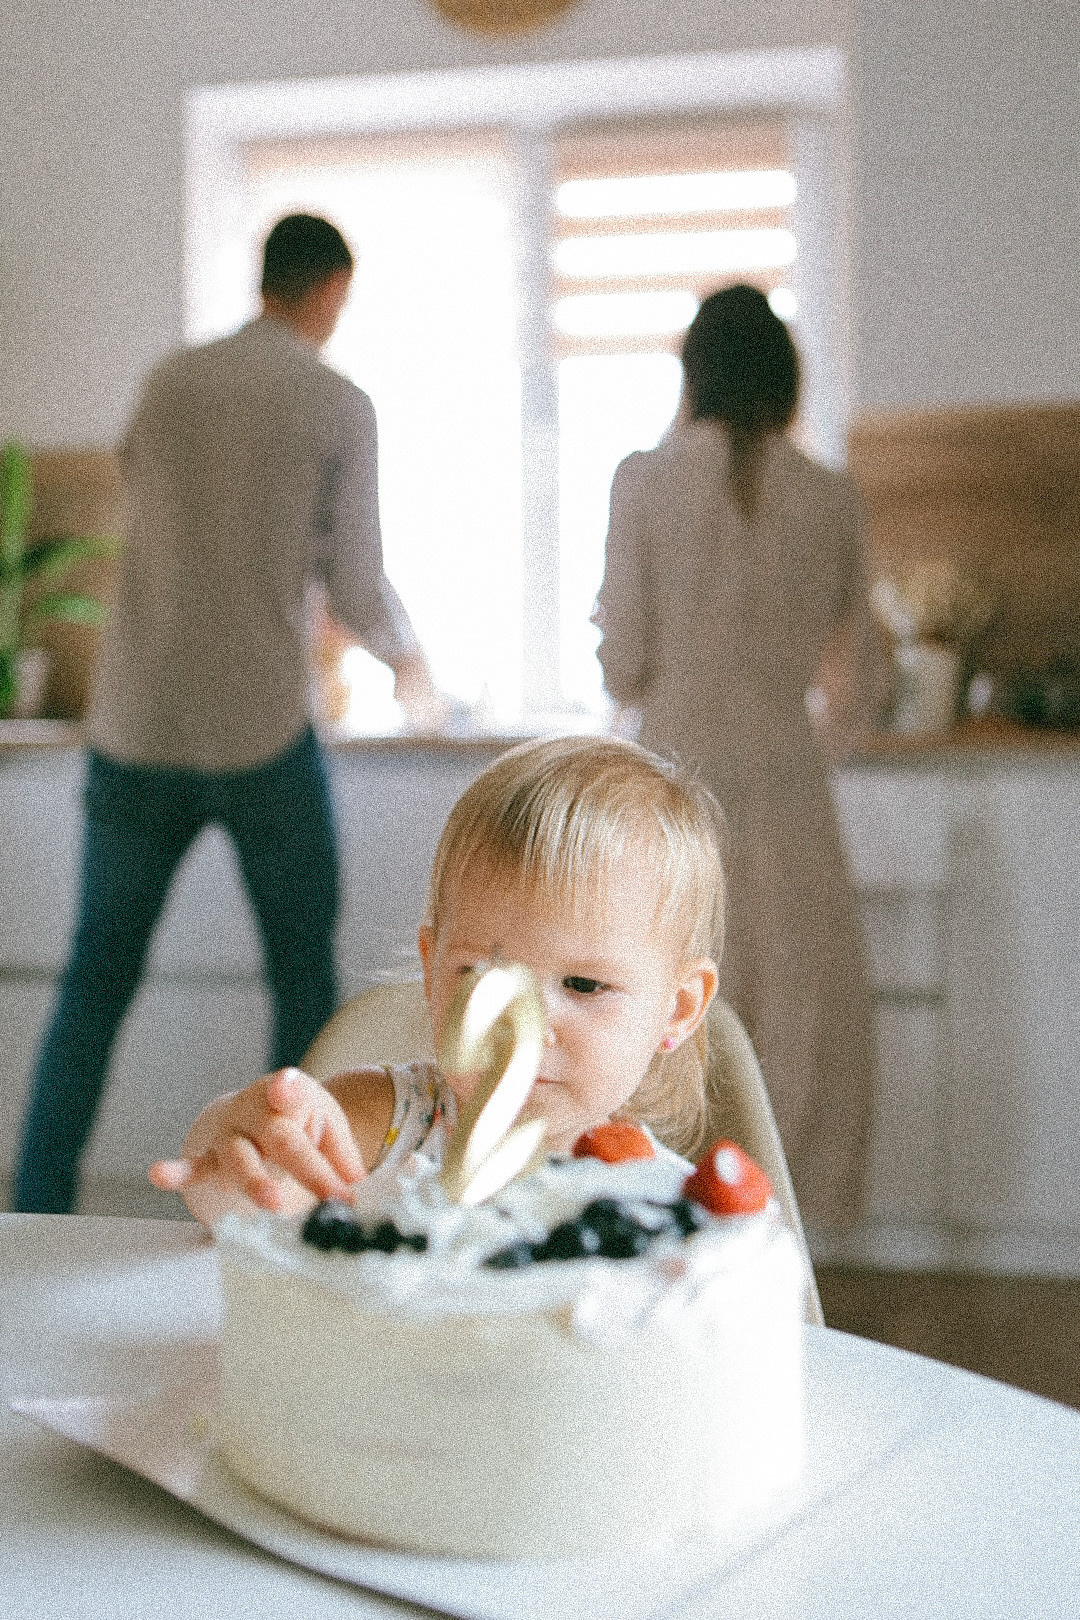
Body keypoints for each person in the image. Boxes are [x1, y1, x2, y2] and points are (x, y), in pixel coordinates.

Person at [14, 213, 441, 1214]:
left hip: (138, 726)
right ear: (331, 288)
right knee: (301, 989)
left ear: (265, 280)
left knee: (91, 988)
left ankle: (31, 1215)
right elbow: (360, 581)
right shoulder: (336, 401)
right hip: (258, 735)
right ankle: (290, 1218)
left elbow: (157, 505)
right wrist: (412, 666)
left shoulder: (170, 381)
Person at [148, 735, 722, 1225]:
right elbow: (246, 1193)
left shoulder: (679, 1210)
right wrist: (232, 1145)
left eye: (584, 985)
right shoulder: (384, 1124)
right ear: (433, 970)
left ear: (677, 1009)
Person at [591, 283, 883, 1231]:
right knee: (802, 1034)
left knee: (662, 1021)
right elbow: (863, 685)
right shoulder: (829, 496)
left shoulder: (644, 480)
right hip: (790, 791)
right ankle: (790, 1250)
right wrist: (813, 740)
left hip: (675, 781)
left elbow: (625, 664)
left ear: (695, 374)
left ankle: (659, 1228)